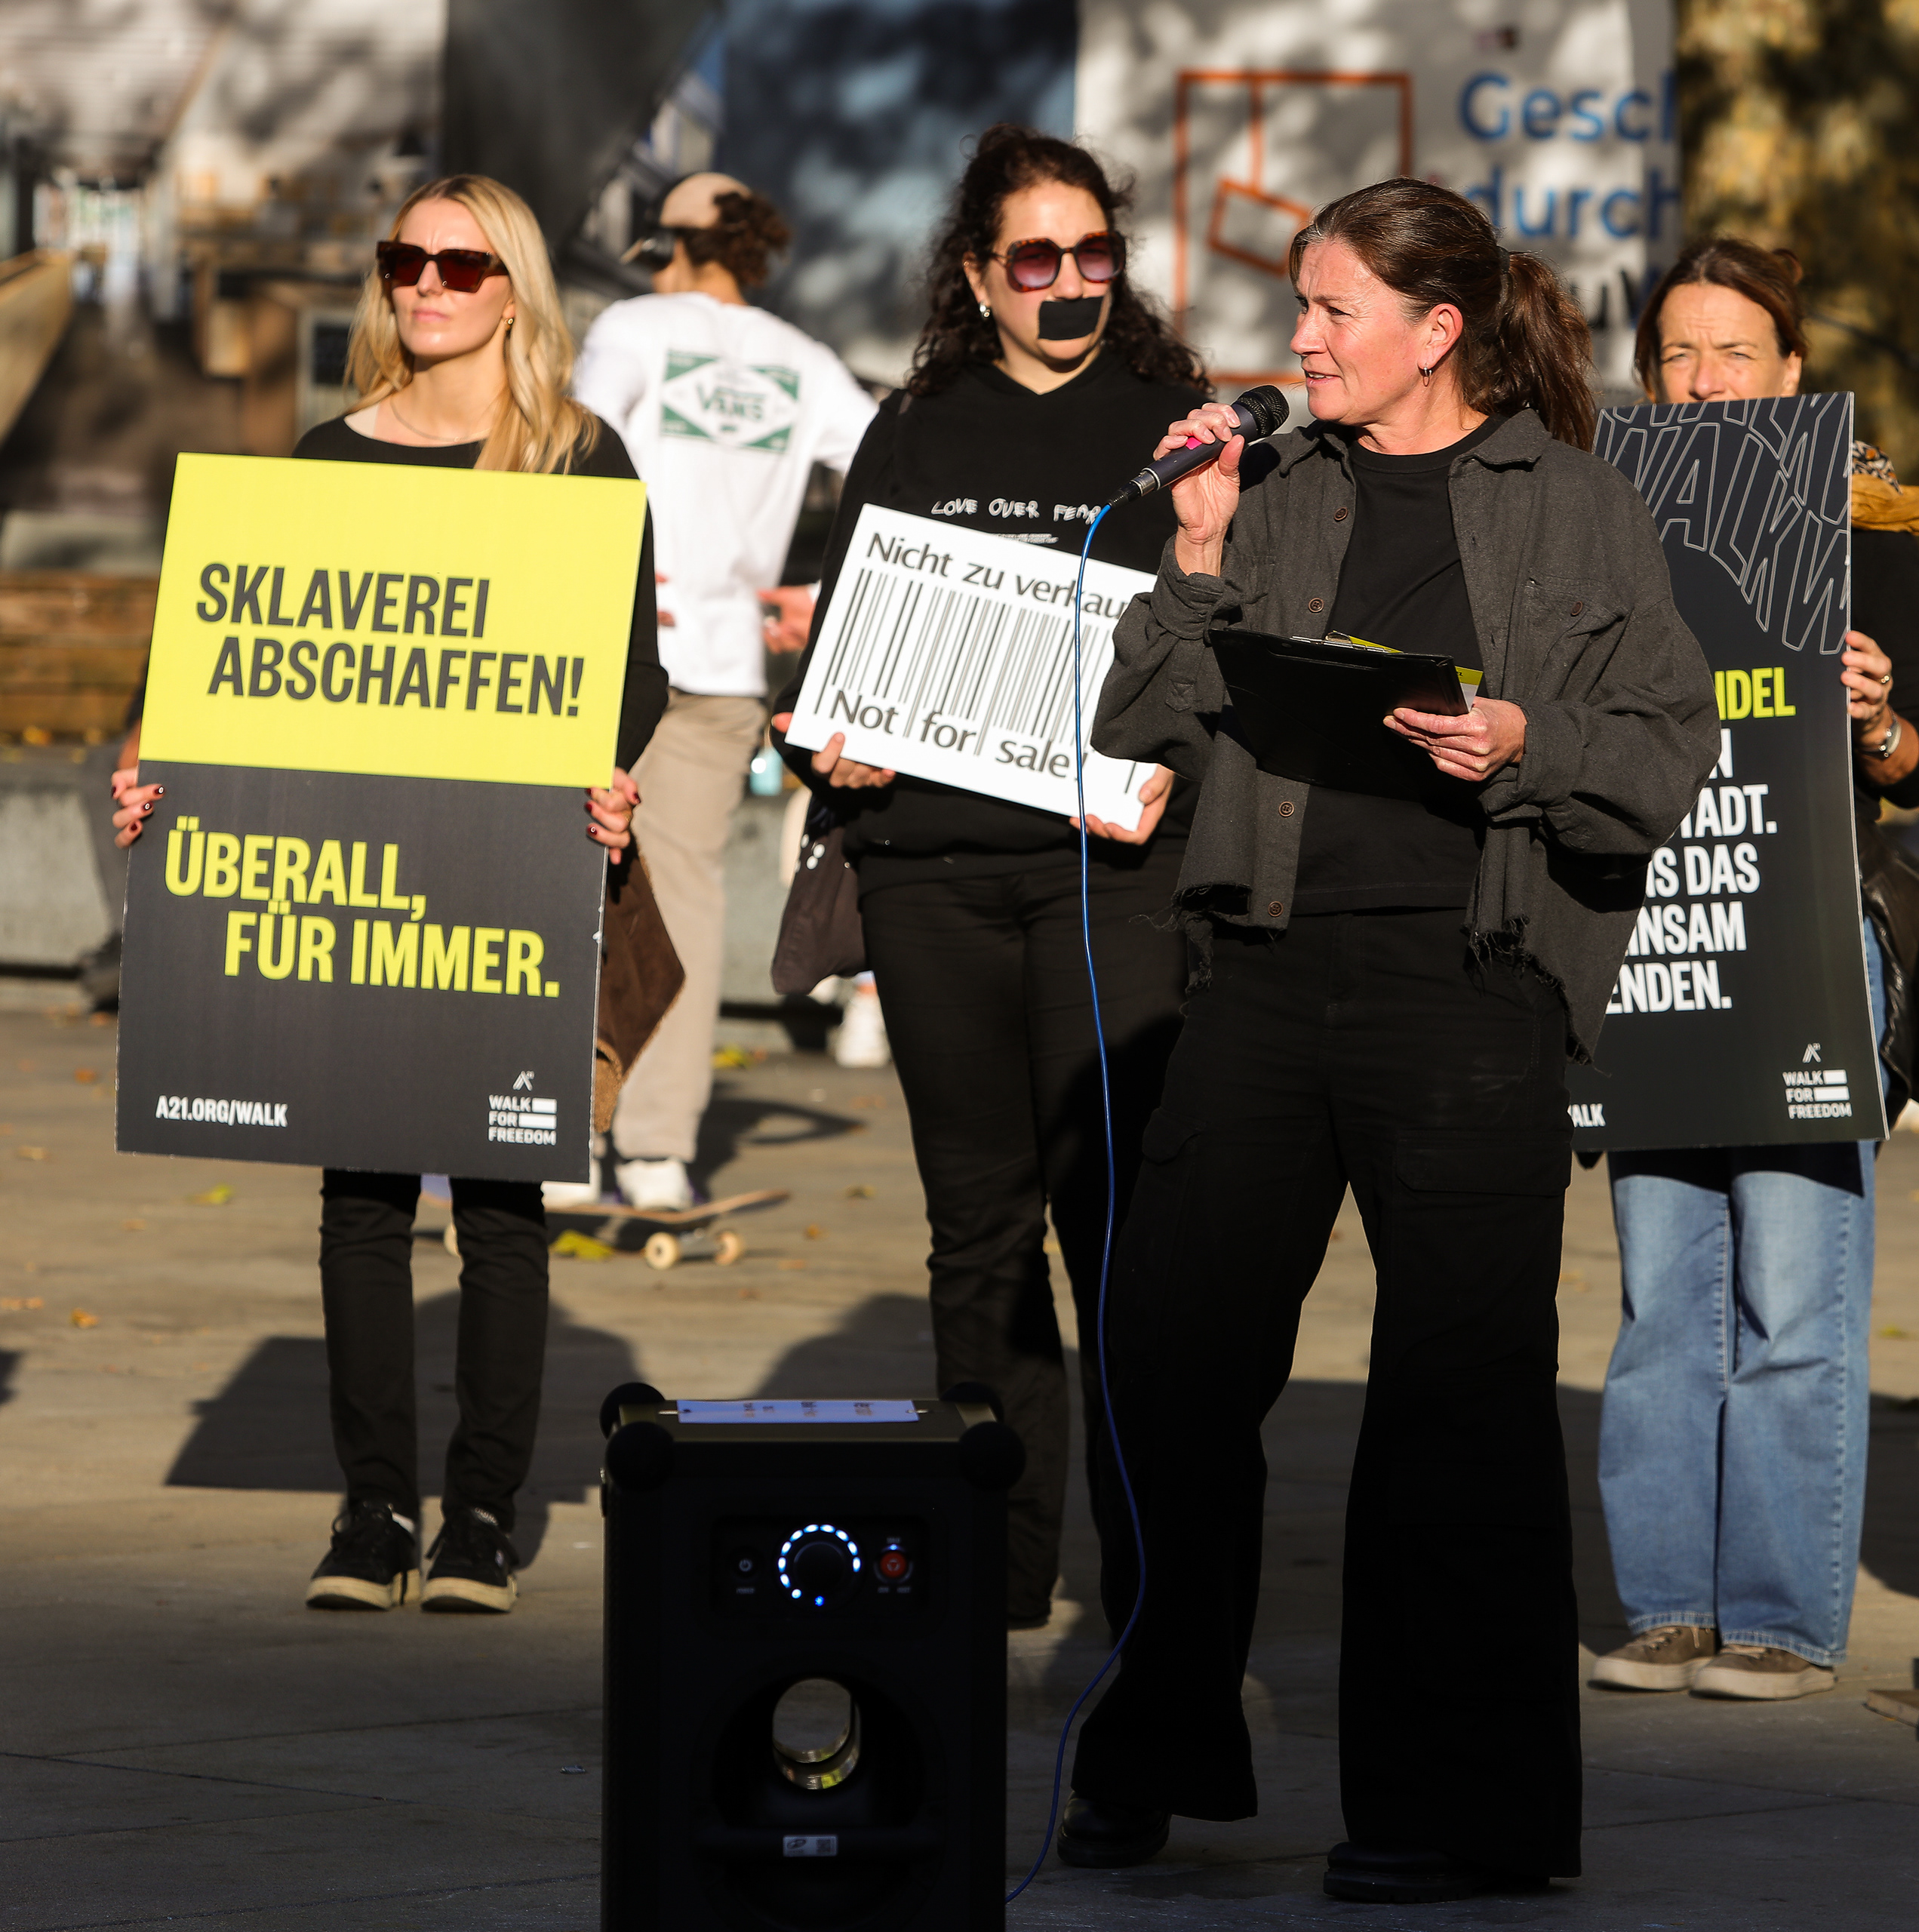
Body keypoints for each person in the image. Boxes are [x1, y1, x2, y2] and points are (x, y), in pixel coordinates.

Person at [1066, 177, 1715, 1902]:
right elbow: (1136, 720)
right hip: (1264, 975)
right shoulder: (1274, 489)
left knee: (1457, 1403)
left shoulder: (1575, 504)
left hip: (1469, 985)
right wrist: (1196, 556)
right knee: (1171, 1358)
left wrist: (1526, 738)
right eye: (1299, 304)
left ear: (1438, 330)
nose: (1298, 338)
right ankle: (1162, 1734)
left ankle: (1452, 1808)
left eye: (1331, 309)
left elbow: (1669, 750)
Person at [112, 174, 666, 1611]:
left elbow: (633, 675)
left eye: (460, 265)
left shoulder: (579, 462)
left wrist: (608, 780)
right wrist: (159, 770)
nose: (425, 283)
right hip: (349, 880)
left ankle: (480, 1516)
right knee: (357, 1197)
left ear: (515, 289)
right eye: (404, 259)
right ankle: (370, 1513)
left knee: (500, 1202)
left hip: (506, 872)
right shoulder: (322, 458)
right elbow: (227, 666)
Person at [767, 126, 1205, 1632]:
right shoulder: (914, 426)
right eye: (1037, 257)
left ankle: (1148, 1582)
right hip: (932, 877)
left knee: (1117, 1234)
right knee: (978, 1233)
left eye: (1096, 254)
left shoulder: (1181, 429)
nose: (1070, 282)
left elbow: (1229, 640)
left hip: (1112, 884)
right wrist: (832, 742)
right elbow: (842, 647)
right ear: (977, 275)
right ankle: (1002, 1568)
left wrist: (1184, 763)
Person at [1585, 237, 1919, 1706]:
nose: (1705, 378)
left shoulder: (1867, 524)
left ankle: (1783, 1621)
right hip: (1657, 931)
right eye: (1677, 353)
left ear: (1793, 372)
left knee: (1797, 1292)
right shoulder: (1602, 522)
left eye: (1736, 350)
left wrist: (1875, 719)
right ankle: (1670, 1604)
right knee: (1663, 1290)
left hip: (1798, 931)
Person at [570, 172, 876, 1210]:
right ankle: (657, 1150)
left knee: (571, 886)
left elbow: (572, 453)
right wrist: (817, 597)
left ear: (671, 246)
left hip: (607, 651)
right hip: (725, 663)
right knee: (686, 902)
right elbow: (902, 481)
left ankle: (558, 1134)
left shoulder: (634, 328)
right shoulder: (804, 362)